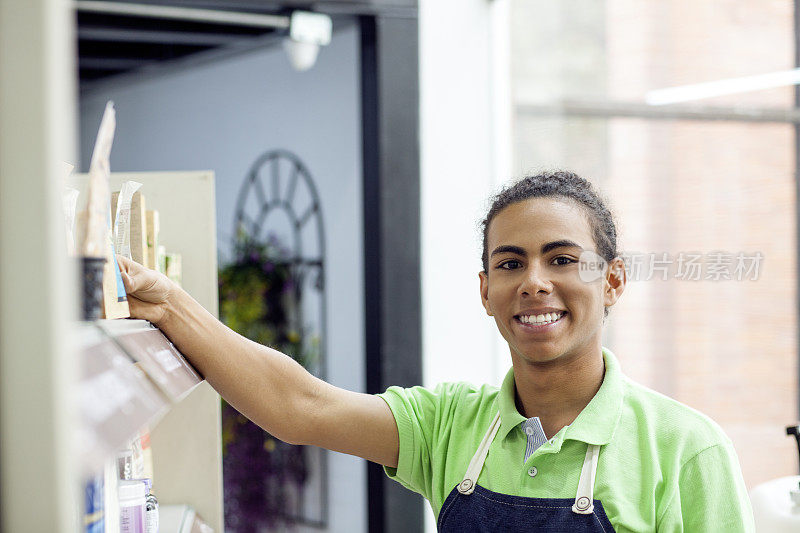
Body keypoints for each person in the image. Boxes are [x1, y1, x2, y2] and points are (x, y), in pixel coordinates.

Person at [117, 170, 755, 532]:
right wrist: (170, 306)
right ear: (486, 291)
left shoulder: (684, 449)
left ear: (612, 280)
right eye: (511, 263)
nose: (534, 281)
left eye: (562, 259)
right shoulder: (452, 425)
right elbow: (296, 405)